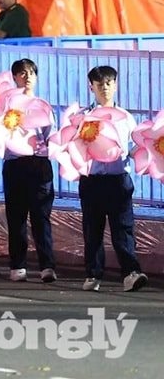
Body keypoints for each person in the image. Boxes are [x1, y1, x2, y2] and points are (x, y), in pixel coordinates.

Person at [75, 65, 148, 293]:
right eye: (99, 84)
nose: (104, 87)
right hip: (93, 179)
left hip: (118, 179)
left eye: (108, 83)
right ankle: (93, 274)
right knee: (92, 229)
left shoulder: (125, 117)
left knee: (123, 229)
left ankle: (131, 273)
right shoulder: (83, 117)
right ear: (91, 87)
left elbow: (134, 146)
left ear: (115, 85)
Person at [0, 58, 57, 283]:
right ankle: (18, 265)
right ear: (14, 77)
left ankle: (47, 266)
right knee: (16, 217)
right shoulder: (6, 104)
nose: (28, 77)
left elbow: (51, 136)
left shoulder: (43, 105)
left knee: (41, 217)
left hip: (39, 164)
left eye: (32, 73)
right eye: (23, 73)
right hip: (15, 164)